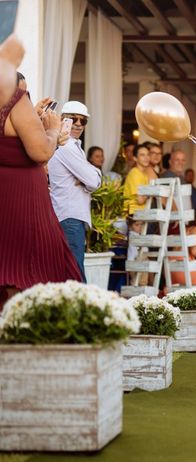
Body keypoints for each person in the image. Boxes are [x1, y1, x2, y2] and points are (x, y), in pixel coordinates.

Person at [0, 34, 82, 306]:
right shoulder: (13, 97)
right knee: (31, 268)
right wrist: (51, 129)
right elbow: (41, 151)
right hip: (21, 199)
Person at [48, 101, 102, 282]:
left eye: (83, 121)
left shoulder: (70, 146)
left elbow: (90, 179)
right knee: (75, 275)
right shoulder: (67, 146)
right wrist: (92, 173)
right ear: (63, 120)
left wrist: (88, 174)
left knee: (68, 273)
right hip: (70, 216)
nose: (78, 124)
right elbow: (94, 182)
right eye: (73, 119)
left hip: (68, 215)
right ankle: (81, 310)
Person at [123, 144, 150, 215]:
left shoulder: (144, 174)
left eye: (148, 155)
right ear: (135, 158)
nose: (146, 158)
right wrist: (150, 193)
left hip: (141, 214)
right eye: (142, 155)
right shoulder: (135, 173)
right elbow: (140, 200)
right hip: (133, 215)